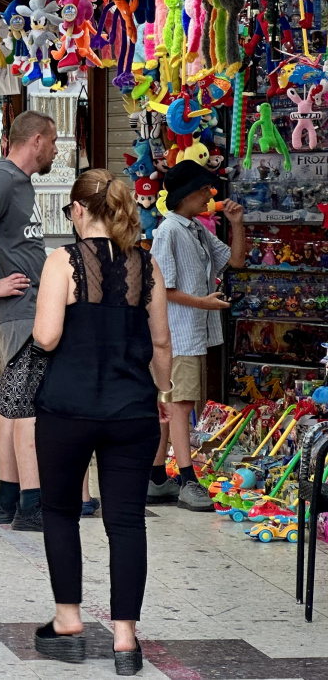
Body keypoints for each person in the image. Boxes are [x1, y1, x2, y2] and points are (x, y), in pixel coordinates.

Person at [30, 169, 172, 674]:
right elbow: (160, 345)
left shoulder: (60, 262)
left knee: (61, 511)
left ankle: (68, 621)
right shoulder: (146, 265)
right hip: (132, 411)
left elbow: (46, 337)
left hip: (67, 409)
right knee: (127, 522)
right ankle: (126, 641)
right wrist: (163, 389)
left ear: (77, 210)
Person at [0, 110, 58, 532]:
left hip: (25, 307)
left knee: (11, 405)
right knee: (28, 409)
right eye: (53, 142)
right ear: (36, 140)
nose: (56, 150)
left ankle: (6, 502)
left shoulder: (18, 182)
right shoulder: (2, 177)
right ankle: (31, 505)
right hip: (19, 309)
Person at [148, 160, 246, 510]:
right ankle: (188, 479)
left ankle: (157, 476)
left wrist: (237, 225)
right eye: (205, 189)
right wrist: (203, 302)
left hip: (196, 333)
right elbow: (164, 288)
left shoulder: (198, 230)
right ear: (188, 194)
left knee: (173, 405)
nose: (211, 194)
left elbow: (235, 261)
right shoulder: (168, 231)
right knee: (180, 405)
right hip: (178, 333)